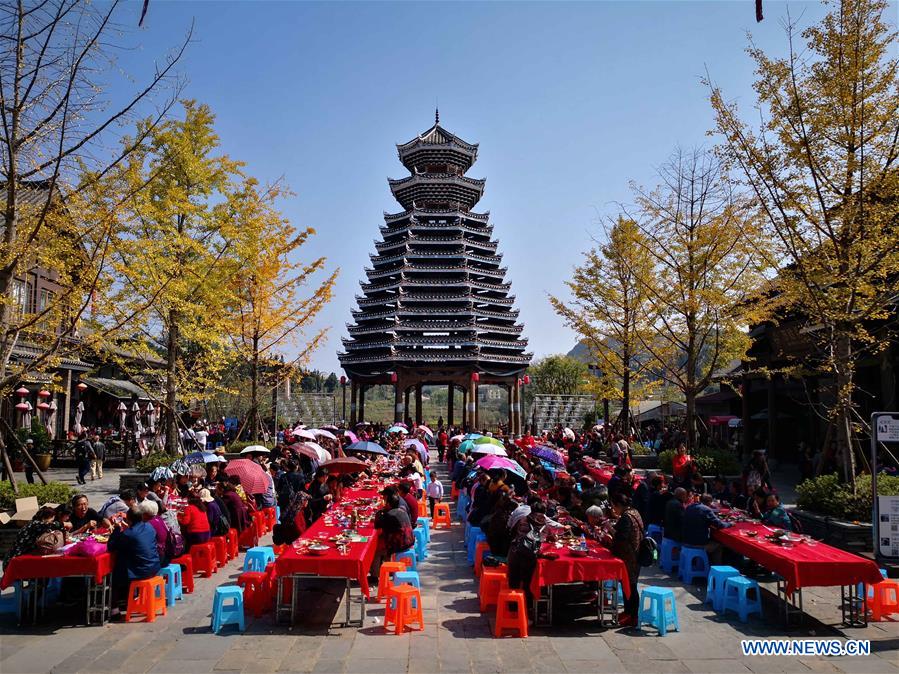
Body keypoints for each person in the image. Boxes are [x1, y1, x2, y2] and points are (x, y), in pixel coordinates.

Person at [107, 507, 161, 615]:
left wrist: (117, 529)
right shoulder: (149, 527)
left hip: (141, 570)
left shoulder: (128, 534)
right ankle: (128, 600)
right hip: (154, 566)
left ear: (129, 519)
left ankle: (114, 608)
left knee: (114, 571)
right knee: (125, 558)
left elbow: (111, 546)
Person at [609, 492, 644, 626]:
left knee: (630, 585)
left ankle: (633, 615)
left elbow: (620, 537)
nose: (613, 510)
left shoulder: (626, 517)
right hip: (635, 553)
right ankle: (628, 612)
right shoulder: (634, 512)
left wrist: (609, 528)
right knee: (627, 584)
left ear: (618, 505)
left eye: (614, 506)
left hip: (629, 556)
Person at [507, 500, 548, 609]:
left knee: (514, 582)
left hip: (515, 552)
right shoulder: (537, 520)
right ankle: (526, 611)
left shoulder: (524, 519)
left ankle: (514, 607)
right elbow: (537, 538)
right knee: (528, 583)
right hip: (525, 556)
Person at [682, 493, 732, 565]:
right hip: (697, 544)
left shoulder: (689, 507)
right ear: (709, 502)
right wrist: (730, 523)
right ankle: (715, 568)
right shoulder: (706, 509)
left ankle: (704, 563)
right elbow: (720, 525)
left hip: (686, 541)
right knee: (718, 546)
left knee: (711, 540)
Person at [373, 491, 414, 576]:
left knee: (376, 551)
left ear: (388, 504)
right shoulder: (401, 510)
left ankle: (375, 575)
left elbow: (377, 525)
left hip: (402, 544)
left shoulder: (390, 515)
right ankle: (387, 566)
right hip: (410, 539)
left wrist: (380, 511)